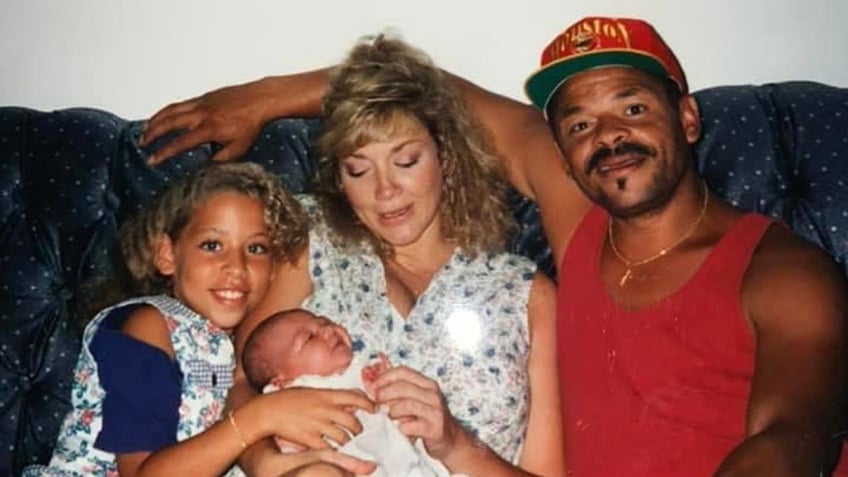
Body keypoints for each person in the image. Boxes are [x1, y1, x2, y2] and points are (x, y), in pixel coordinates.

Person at [140, 17, 848, 476]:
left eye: (633, 107)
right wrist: (267, 96)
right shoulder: (584, 240)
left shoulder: (782, 271)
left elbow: (792, 438)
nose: (608, 136)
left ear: (687, 117)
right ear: (559, 155)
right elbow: (421, 96)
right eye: (579, 125)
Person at [220, 36, 564, 477]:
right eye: (359, 170)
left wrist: (456, 444)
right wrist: (267, 460)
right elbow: (243, 380)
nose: (385, 191)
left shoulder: (526, 295)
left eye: (405, 161)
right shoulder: (314, 239)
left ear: (447, 155)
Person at [23, 163, 376, 477]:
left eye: (255, 249)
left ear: (272, 272)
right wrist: (260, 418)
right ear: (166, 256)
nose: (236, 267)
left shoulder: (248, 348)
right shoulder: (148, 325)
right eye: (212, 245)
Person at [242, 308, 453, 477]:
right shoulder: (291, 396)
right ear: (281, 382)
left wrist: (379, 387)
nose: (327, 331)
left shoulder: (360, 370)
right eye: (309, 338)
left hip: (402, 464)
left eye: (325, 322)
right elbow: (285, 444)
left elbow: (392, 417)